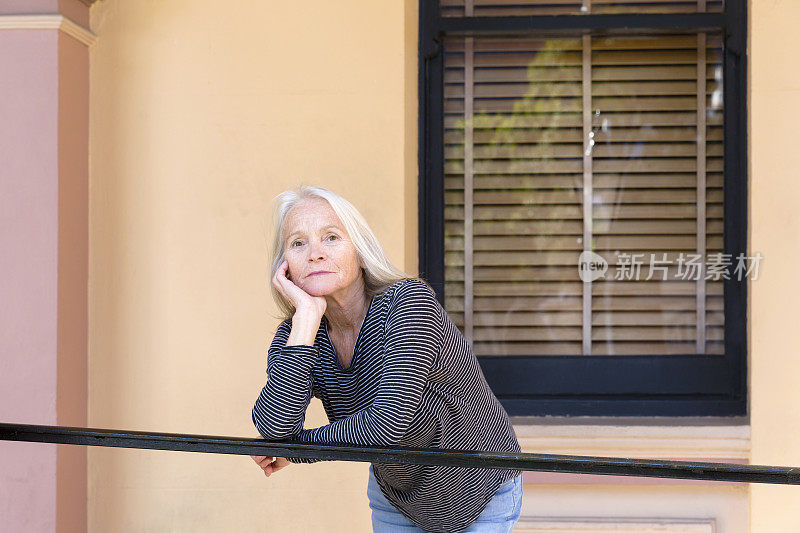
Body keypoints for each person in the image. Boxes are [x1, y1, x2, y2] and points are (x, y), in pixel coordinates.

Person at [250, 185, 523, 533]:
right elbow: (275, 428)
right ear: (285, 266)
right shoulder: (300, 334)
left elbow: (385, 426)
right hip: (398, 495)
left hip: (480, 485)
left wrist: (297, 449)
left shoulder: (409, 304)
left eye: (331, 237)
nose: (314, 253)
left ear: (360, 252)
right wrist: (305, 320)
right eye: (298, 243)